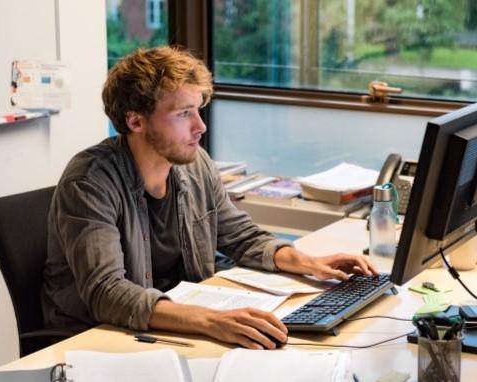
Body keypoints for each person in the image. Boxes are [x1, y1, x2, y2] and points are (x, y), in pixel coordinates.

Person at [42, 46, 378, 350]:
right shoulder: (89, 182)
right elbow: (107, 292)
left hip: (178, 325)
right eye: (184, 113)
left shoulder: (193, 163)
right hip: (100, 341)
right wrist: (210, 321)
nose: (200, 126)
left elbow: (240, 237)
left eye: (199, 110)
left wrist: (309, 263)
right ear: (135, 120)